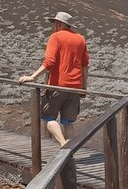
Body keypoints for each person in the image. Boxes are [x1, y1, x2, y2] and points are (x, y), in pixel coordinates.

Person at [19, 11, 89, 146]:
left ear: (59, 23)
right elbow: (84, 66)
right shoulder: (80, 39)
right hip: (75, 86)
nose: (54, 25)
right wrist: (83, 88)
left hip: (58, 85)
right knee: (68, 123)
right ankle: (70, 151)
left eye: (55, 23)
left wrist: (32, 77)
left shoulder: (56, 37)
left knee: (49, 118)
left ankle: (63, 145)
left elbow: (49, 62)